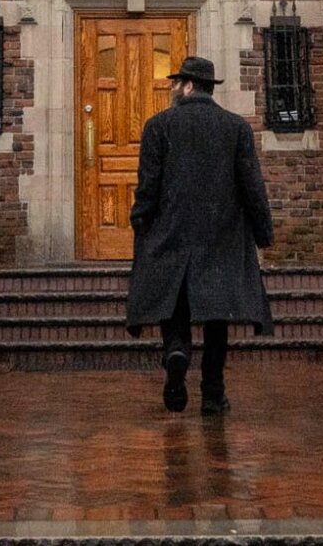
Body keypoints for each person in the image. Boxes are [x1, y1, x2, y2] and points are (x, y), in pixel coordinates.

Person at [123, 55, 275, 416]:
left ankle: (176, 350)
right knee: (216, 314)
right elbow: (252, 184)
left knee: (173, 298)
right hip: (220, 232)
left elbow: (149, 185)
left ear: (188, 86)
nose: (173, 89)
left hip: (171, 227)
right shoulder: (235, 127)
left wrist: (140, 219)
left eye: (176, 83)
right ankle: (212, 392)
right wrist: (263, 231)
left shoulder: (158, 126)